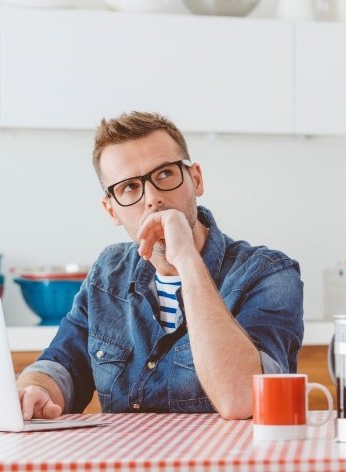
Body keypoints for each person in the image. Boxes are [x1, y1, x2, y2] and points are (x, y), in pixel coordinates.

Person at [16, 111, 303, 420]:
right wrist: (37, 391)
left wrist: (187, 260)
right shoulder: (107, 273)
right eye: (129, 187)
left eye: (165, 174)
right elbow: (62, 363)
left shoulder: (270, 274)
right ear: (111, 210)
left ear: (195, 179)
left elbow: (243, 399)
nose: (152, 198)